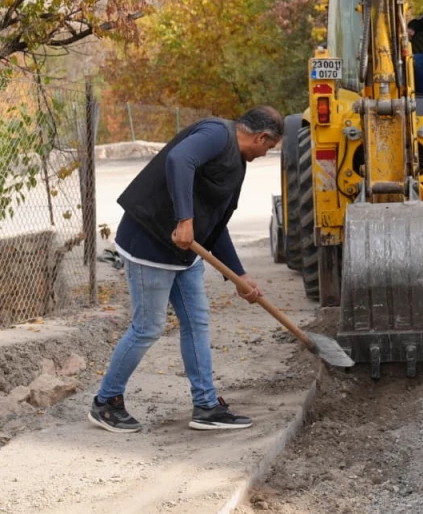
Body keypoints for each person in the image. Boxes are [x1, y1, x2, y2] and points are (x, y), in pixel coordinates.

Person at [89, 106, 284, 433]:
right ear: (261, 137)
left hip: (183, 253)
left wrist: (238, 275)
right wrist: (184, 219)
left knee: (196, 322)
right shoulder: (215, 135)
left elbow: (215, 223)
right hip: (149, 242)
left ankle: (206, 406)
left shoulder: (236, 163)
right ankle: (106, 402)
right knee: (147, 327)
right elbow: (179, 160)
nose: (266, 154)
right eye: (269, 147)